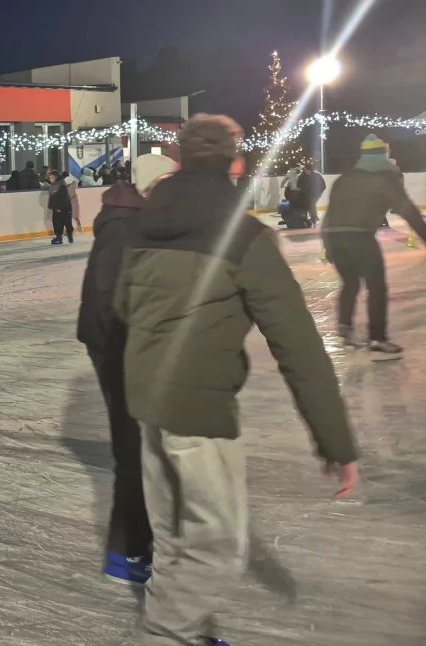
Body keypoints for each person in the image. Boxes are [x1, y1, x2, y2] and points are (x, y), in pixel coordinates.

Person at [114, 114, 360, 646]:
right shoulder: (244, 237)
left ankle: (181, 627)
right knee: (217, 545)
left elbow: (121, 305)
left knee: (176, 535)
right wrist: (335, 441)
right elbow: (297, 344)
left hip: (147, 402)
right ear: (237, 163)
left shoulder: (141, 225)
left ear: (179, 161)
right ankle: (167, 632)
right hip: (199, 410)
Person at [76, 153, 178, 587]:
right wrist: (130, 352)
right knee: (132, 448)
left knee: (141, 447)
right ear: (151, 185)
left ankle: (135, 543)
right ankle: (127, 550)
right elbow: (110, 300)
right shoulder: (123, 225)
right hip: (115, 346)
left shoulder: (139, 216)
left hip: (125, 344)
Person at [322, 134, 426, 359]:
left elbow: (329, 215)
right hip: (359, 237)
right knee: (376, 286)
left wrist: (327, 245)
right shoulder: (384, 179)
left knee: (349, 282)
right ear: (383, 155)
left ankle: (344, 327)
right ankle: (378, 338)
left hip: (333, 236)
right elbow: (408, 211)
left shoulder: (344, 178)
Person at [47, 170, 73, 244]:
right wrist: (51, 206)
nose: (50, 179)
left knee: (67, 222)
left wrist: (60, 208)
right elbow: (52, 197)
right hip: (56, 207)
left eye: (51, 177)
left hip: (64, 207)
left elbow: (64, 198)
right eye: (49, 177)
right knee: (56, 222)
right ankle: (59, 237)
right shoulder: (53, 185)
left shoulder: (62, 185)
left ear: (56, 177)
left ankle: (69, 235)